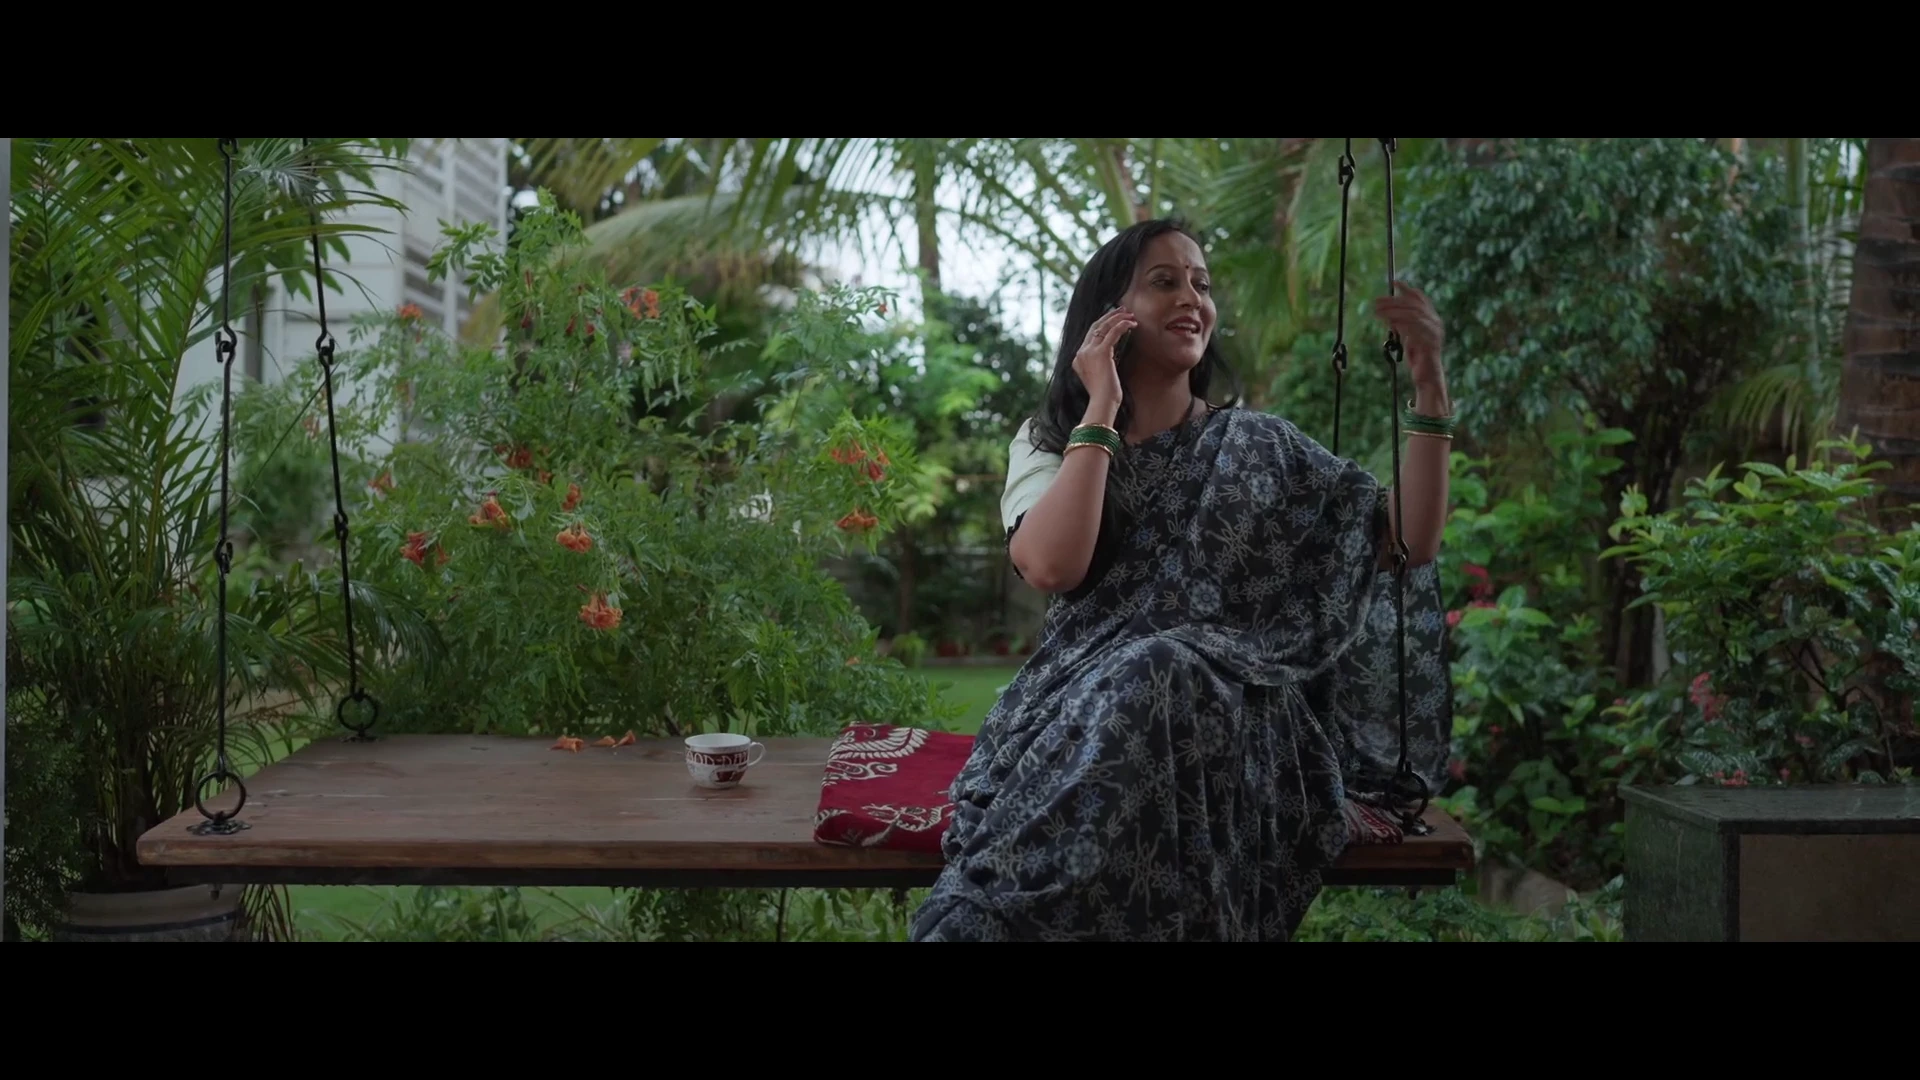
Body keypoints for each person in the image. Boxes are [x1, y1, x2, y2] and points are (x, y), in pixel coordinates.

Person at [908, 218, 1455, 942]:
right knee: (1154, 667)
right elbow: (1052, 565)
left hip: (1236, 721)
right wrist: (1101, 411)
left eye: (1201, 284)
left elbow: (1407, 540)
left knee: (1167, 665)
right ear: (1109, 314)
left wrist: (1430, 387)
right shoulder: (1050, 441)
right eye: (1164, 282)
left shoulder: (1260, 447)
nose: (1192, 298)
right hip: (1087, 713)